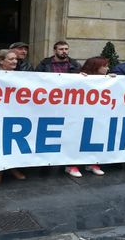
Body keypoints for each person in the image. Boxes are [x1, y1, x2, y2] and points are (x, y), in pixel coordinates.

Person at [35, 41, 82, 176]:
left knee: (67, 131)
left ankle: (65, 161)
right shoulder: (45, 64)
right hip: (48, 104)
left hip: (68, 104)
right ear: (55, 50)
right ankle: (45, 161)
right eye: (61, 49)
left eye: (66, 49)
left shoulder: (75, 64)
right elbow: (35, 79)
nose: (64, 51)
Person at [76, 56, 118, 176]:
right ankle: (72, 165)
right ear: (95, 67)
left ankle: (92, 163)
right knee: (77, 139)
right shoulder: (80, 77)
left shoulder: (107, 79)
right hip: (81, 115)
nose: (107, 68)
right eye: (104, 66)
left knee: (96, 138)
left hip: (98, 115)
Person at [0, 49, 27, 183]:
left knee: (12, 143)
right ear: (1, 61)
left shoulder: (21, 77)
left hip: (15, 114)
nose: (15, 61)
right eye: (11, 59)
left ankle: (12, 168)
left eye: (16, 59)